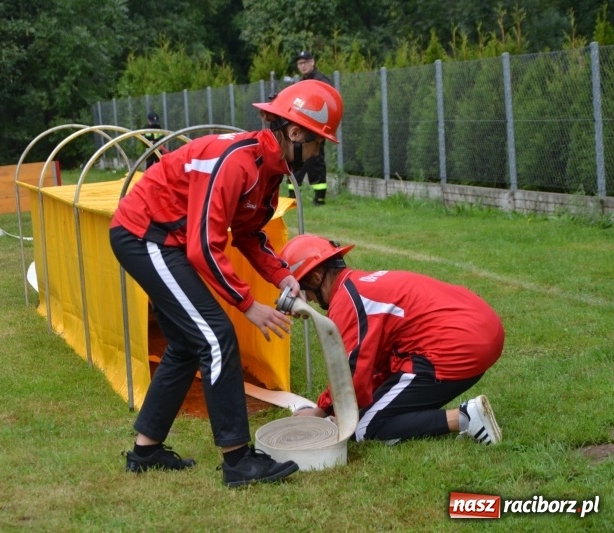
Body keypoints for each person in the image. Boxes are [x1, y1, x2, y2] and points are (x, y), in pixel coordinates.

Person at [109, 80, 343, 487]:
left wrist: (281, 273)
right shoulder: (238, 161)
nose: (319, 153)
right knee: (217, 336)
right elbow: (204, 246)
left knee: (186, 342)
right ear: (295, 133)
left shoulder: (268, 172)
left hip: (166, 241)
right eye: (319, 142)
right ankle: (238, 462)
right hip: (144, 234)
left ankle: (145, 451)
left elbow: (249, 234)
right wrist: (248, 304)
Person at [279, 234, 505, 445]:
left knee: (364, 427)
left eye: (305, 292)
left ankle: (466, 417)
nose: (308, 300)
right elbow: (377, 367)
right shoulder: (359, 285)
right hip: (483, 333)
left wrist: (321, 412)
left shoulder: (346, 302)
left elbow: (349, 374)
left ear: (317, 277)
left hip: (460, 347)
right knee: (373, 406)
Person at [288, 51, 334, 206]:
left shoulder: (321, 81)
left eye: (305, 62)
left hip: (316, 128)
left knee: (316, 161)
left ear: (313, 62)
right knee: (296, 158)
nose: (303, 66)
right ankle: (292, 197)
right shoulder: (300, 83)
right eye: (300, 63)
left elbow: (328, 102)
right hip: (301, 127)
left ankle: (319, 198)